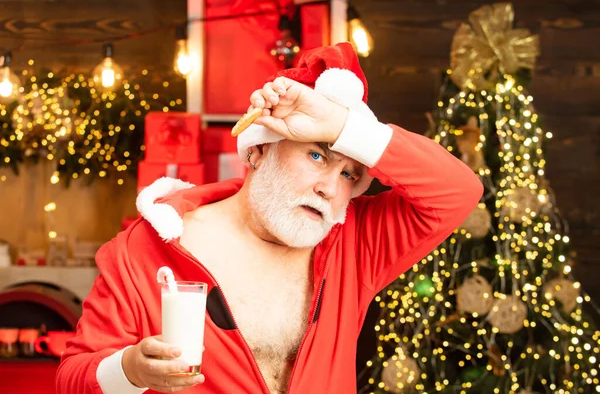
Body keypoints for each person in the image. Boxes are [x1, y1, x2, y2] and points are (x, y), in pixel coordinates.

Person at [56, 42, 482, 394]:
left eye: (349, 174)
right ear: (257, 151)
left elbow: (459, 191)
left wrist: (335, 123)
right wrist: (129, 370)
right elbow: (71, 378)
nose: (331, 189)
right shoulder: (145, 251)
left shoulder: (356, 241)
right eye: (317, 156)